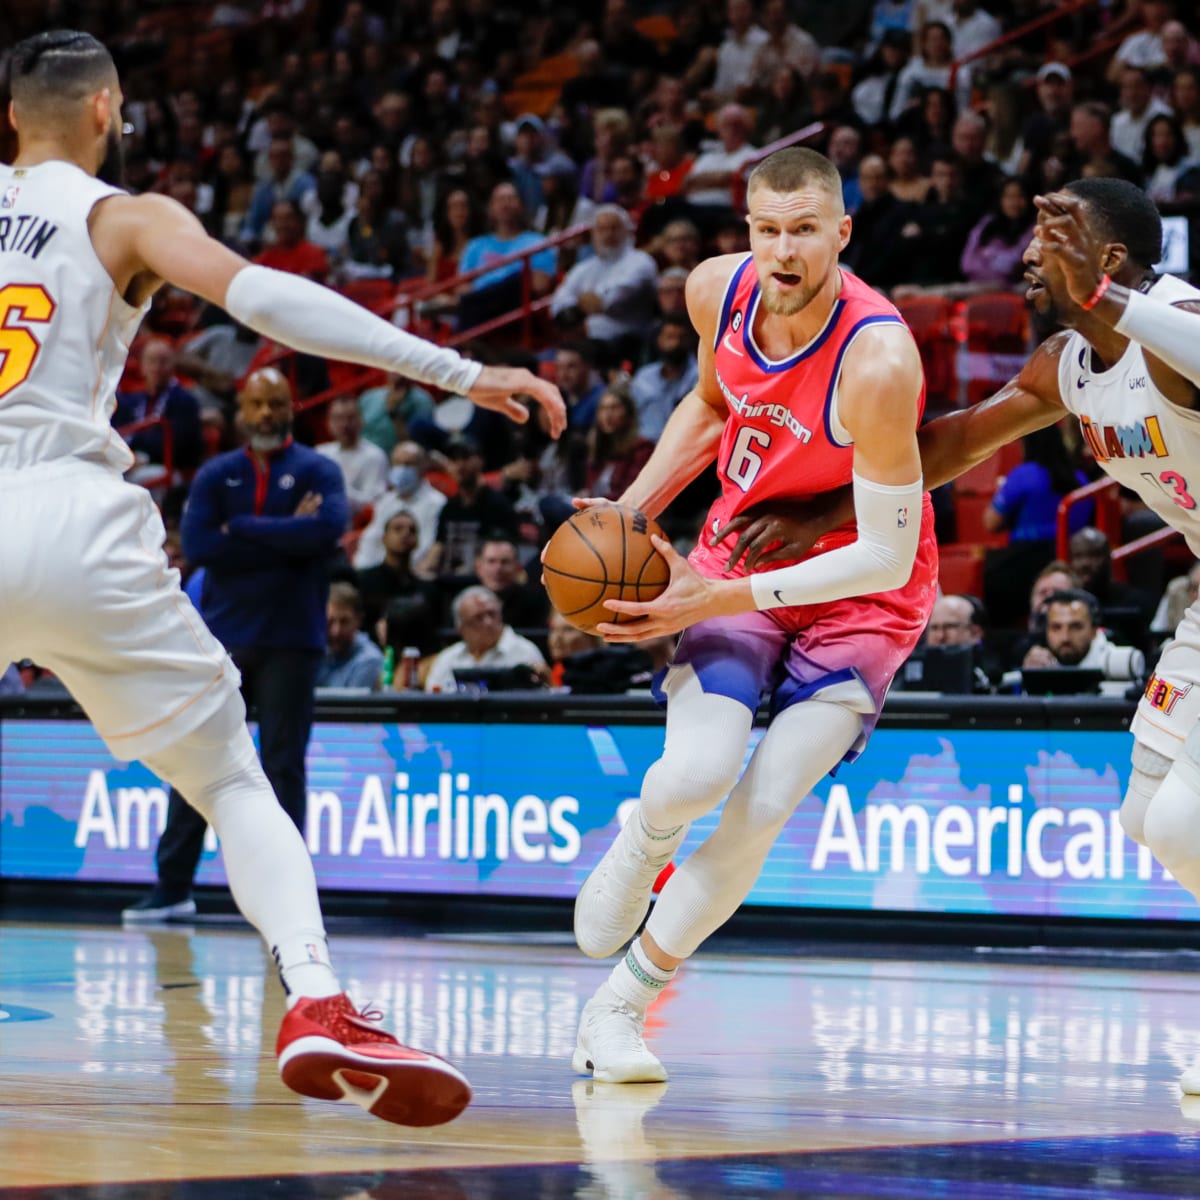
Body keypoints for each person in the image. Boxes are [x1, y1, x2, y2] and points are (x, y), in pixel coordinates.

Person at [0, 30, 562, 1127]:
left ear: (12, 116)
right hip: (72, 512)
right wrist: (459, 368)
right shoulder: (125, 216)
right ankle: (316, 997)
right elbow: (269, 303)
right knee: (232, 783)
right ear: (109, 109)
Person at [710, 175, 1200, 1094]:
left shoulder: (1171, 321)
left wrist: (1118, 304)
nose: (1026, 256)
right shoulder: (1064, 364)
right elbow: (960, 440)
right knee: (1146, 815)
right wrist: (828, 508)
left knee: (1181, 819)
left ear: (1114, 262)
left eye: (1056, 240)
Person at [568, 147, 937, 1083]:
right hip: (740, 552)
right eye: (767, 230)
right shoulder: (713, 293)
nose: (783, 252)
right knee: (693, 774)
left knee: (764, 805)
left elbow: (886, 552)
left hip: (864, 595)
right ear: (746, 232)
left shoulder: (880, 358)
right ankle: (643, 837)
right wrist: (634, 513)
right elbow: (705, 405)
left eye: (805, 229)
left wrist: (710, 594)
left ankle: (619, 1008)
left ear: (842, 233)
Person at [424, 585, 547, 692]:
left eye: (492, 614)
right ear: (461, 628)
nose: (488, 622)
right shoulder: (448, 658)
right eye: (478, 618)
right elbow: (431, 701)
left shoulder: (525, 652)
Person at [1019, 588, 1145, 684]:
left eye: (1076, 627)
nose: (1065, 637)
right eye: (1056, 627)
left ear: (1094, 630)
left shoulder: (1119, 664)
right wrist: (1031, 678)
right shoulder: (1037, 663)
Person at [316, 394, 390, 523]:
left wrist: (338, 494)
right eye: (338, 418)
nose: (345, 424)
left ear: (361, 420)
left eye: (350, 418)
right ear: (329, 423)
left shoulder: (375, 456)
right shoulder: (320, 453)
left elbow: (375, 502)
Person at [317, 582, 384, 689]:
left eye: (344, 622)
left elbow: (347, 706)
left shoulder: (369, 659)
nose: (336, 631)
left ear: (358, 621)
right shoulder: (313, 652)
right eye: (330, 621)